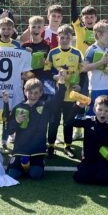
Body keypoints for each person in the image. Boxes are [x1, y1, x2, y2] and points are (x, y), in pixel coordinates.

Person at [5, 75, 67, 181]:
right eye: (30, 92)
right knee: (12, 175)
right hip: (20, 149)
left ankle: (37, 163)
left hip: (37, 149)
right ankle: (21, 164)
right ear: (25, 92)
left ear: (41, 93)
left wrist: (61, 83)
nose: (32, 95)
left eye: (36, 93)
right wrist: (17, 121)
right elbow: (9, 130)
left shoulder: (45, 106)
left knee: (36, 175)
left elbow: (58, 99)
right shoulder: (18, 108)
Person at [0, 17, 32, 148]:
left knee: (11, 111)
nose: (6, 31)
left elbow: (22, 65)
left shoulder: (17, 46)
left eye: (9, 29)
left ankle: (9, 135)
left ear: (13, 30)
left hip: (13, 84)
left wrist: (27, 52)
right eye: (3, 28)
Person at [44, 24, 83, 158]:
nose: (65, 40)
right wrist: (55, 76)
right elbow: (47, 72)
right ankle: (50, 146)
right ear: (58, 38)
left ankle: (68, 146)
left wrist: (79, 86)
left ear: (71, 38)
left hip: (70, 95)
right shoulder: (53, 53)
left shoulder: (77, 53)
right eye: (62, 37)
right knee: (53, 121)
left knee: (68, 121)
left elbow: (82, 72)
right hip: (56, 94)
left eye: (67, 37)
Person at [70, 95, 108, 186]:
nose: (102, 113)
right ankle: (87, 168)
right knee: (81, 177)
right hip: (88, 158)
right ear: (94, 110)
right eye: (100, 110)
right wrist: (77, 107)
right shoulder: (88, 120)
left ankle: (106, 169)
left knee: (104, 180)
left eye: (106, 111)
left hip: (104, 159)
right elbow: (70, 122)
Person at [81, 20, 108, 113]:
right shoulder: (91, 49)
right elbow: (85, 68)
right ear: (99, 34)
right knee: (94, 114)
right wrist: (101, 62)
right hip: (96, 89)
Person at [22, 15, 54, 96]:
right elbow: (20, 65)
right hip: (29, 81)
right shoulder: (25, 46)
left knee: (46, 103)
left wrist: (46, 63)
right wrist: (23, 75)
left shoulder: (48, 45)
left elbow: (53, 64)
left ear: (43, 29)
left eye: (39, 27)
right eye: (33, 27)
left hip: (44, 80)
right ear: (29, 28)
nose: (36, 29)